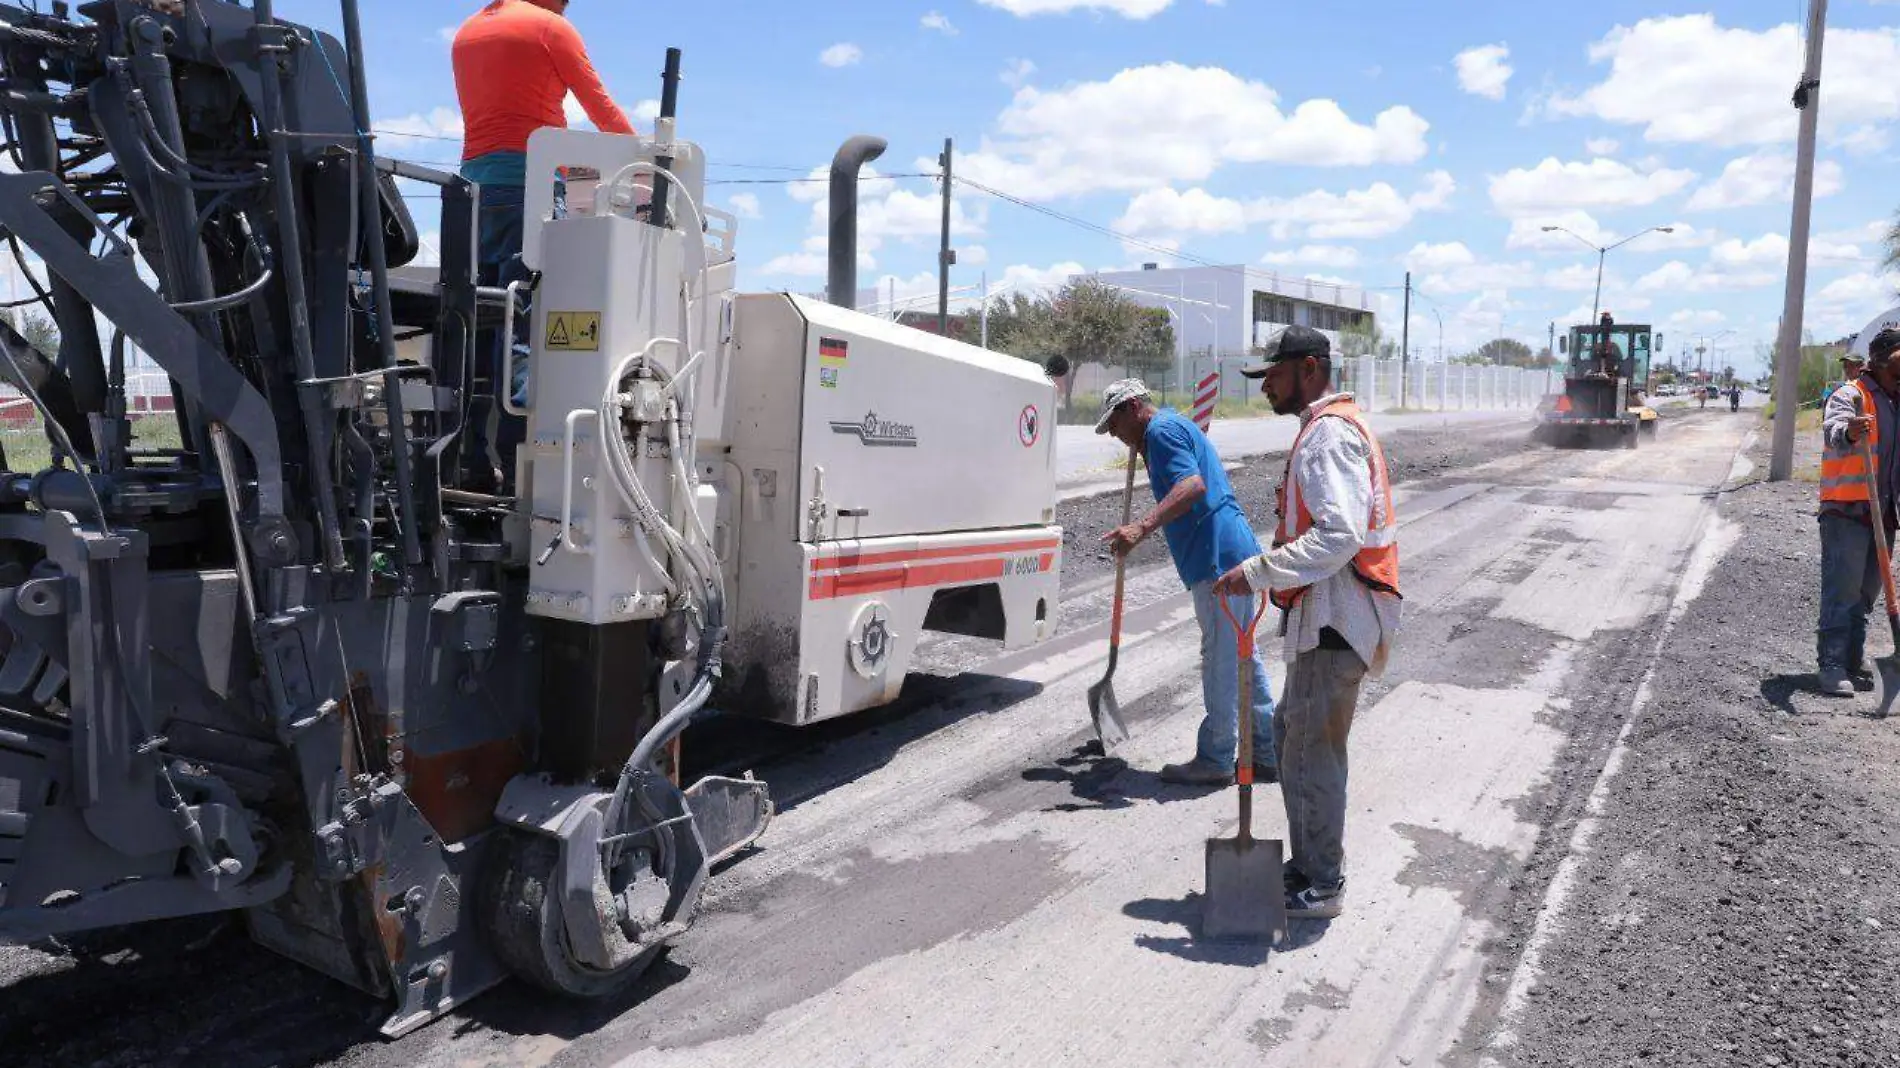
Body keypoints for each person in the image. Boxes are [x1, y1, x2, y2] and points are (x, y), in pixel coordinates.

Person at [1212, 325, 1401, 920]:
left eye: (1274, 372)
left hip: (1339, 616)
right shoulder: (1324, 430)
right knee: (1293, 740)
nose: (1265, 384)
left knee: (1312, 751)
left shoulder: (1328, 437)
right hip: (1325, 616)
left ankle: (1322, 883)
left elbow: (1340, 535)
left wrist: (1261, 571)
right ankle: (1309, 863)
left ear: (1311, 368)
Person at [451, 0, 635, 490]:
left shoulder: (467, 32)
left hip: (471, 191)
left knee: (477, 323)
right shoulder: (551, 29)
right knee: (523, 328)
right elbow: (603, 112)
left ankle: (468, 456)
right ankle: (517, 466)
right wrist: (653, 167)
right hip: (526, 191)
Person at [1096, 378, 1276, 786]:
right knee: (1244, 657)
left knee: (1220, 659)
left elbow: (1192, 486)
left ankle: (1215, 758)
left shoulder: (1160, 432)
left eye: (1114, 425)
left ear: (1131, 408)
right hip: (1231, 551)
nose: (1114, 435)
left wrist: (1141, 528)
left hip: (1216, 560)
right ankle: (1266, 751)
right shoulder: (1169, 429)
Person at [1817, 328, 1900, 697]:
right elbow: (1832, 428)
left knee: (1867, 594)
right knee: (1843, 590)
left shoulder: (1898, 401)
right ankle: (1831, 665)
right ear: (1884, 360)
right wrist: (1849, 432)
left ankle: (1853, 659)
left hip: (1885, 513)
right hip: (1848, 509)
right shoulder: (1852, 395)